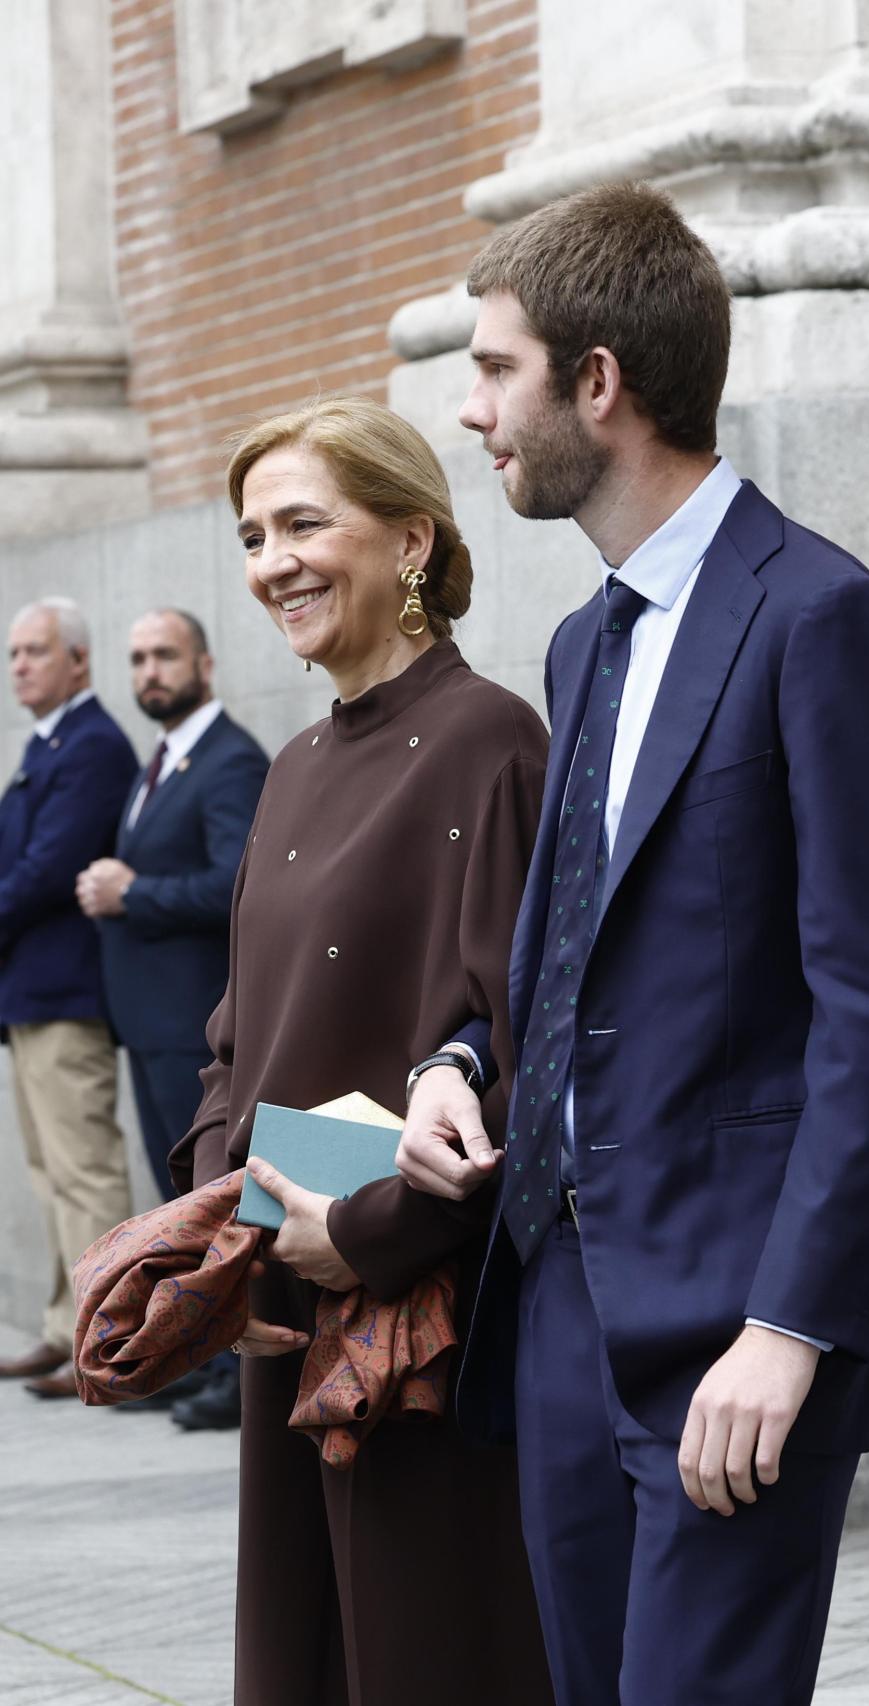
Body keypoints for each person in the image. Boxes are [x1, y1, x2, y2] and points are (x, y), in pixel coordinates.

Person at [397, 181, 869, 1706]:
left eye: (495, 368)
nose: (470, 411)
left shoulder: (827, 619)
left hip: (740, 1309)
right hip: (564, 1299)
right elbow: (582, 940)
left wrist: (791, 1326)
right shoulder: (586, 640)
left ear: (599, 380)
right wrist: (460, 1063)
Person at [167, 395, 553, 1706]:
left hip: (417, 1321)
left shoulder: (491, 739)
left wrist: (362, 1223)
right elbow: (240, 1038)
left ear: (410, 540)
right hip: (287, 1276)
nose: (271, 557)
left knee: (425, 1652)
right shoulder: (287, 766)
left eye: (302, 522)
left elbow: (515, 1041)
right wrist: (247, 1218)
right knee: (302, 1656)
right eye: (251, 532)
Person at [76, 607, 269, 1429]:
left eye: (164, 655)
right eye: (138, 658)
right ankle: (199, 1357)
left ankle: (236, 1381)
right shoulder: (159, 761)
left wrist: (134, 895)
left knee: (207, 1202)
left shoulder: (229, 761)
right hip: (148, 1021)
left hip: (196, 1024)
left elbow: (238, 884)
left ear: (205, 664)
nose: (149, 671)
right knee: (174, 1204)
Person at [0, 597, 138, 1399]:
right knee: (52, 1170)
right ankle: (66, 1327)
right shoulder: (49, 741)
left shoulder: (91, 746)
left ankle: (109, 1348)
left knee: (83, 1171)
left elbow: (46, 868)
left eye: (34, 651)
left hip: (65, 990)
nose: (19, 665)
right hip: (30, 993)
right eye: (14, 653)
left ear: (78, 661)